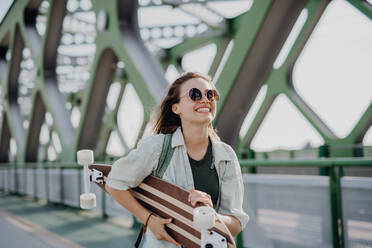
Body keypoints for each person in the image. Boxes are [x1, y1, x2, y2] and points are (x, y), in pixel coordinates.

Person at [106, 72, 249, 248]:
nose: (205, 99)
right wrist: (149, 220)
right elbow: (114, 183)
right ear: (176, 108)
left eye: (210, 94)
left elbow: (236, 223)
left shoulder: (226, 155)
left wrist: (212, 217)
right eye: (195, 94)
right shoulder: (157, 148)